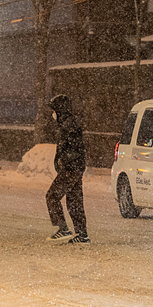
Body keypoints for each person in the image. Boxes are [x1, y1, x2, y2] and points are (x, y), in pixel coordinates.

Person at [46, 94, 90, 244]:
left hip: (71, 169)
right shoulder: (69, 124)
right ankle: (82, 234)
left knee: (52, 196)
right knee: (74, 200)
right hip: (75, 168)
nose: (52, 114)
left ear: (59, 110)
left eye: (54, 110)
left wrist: (63, 160)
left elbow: (74, 149)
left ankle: (63, 228)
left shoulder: (68, 126)